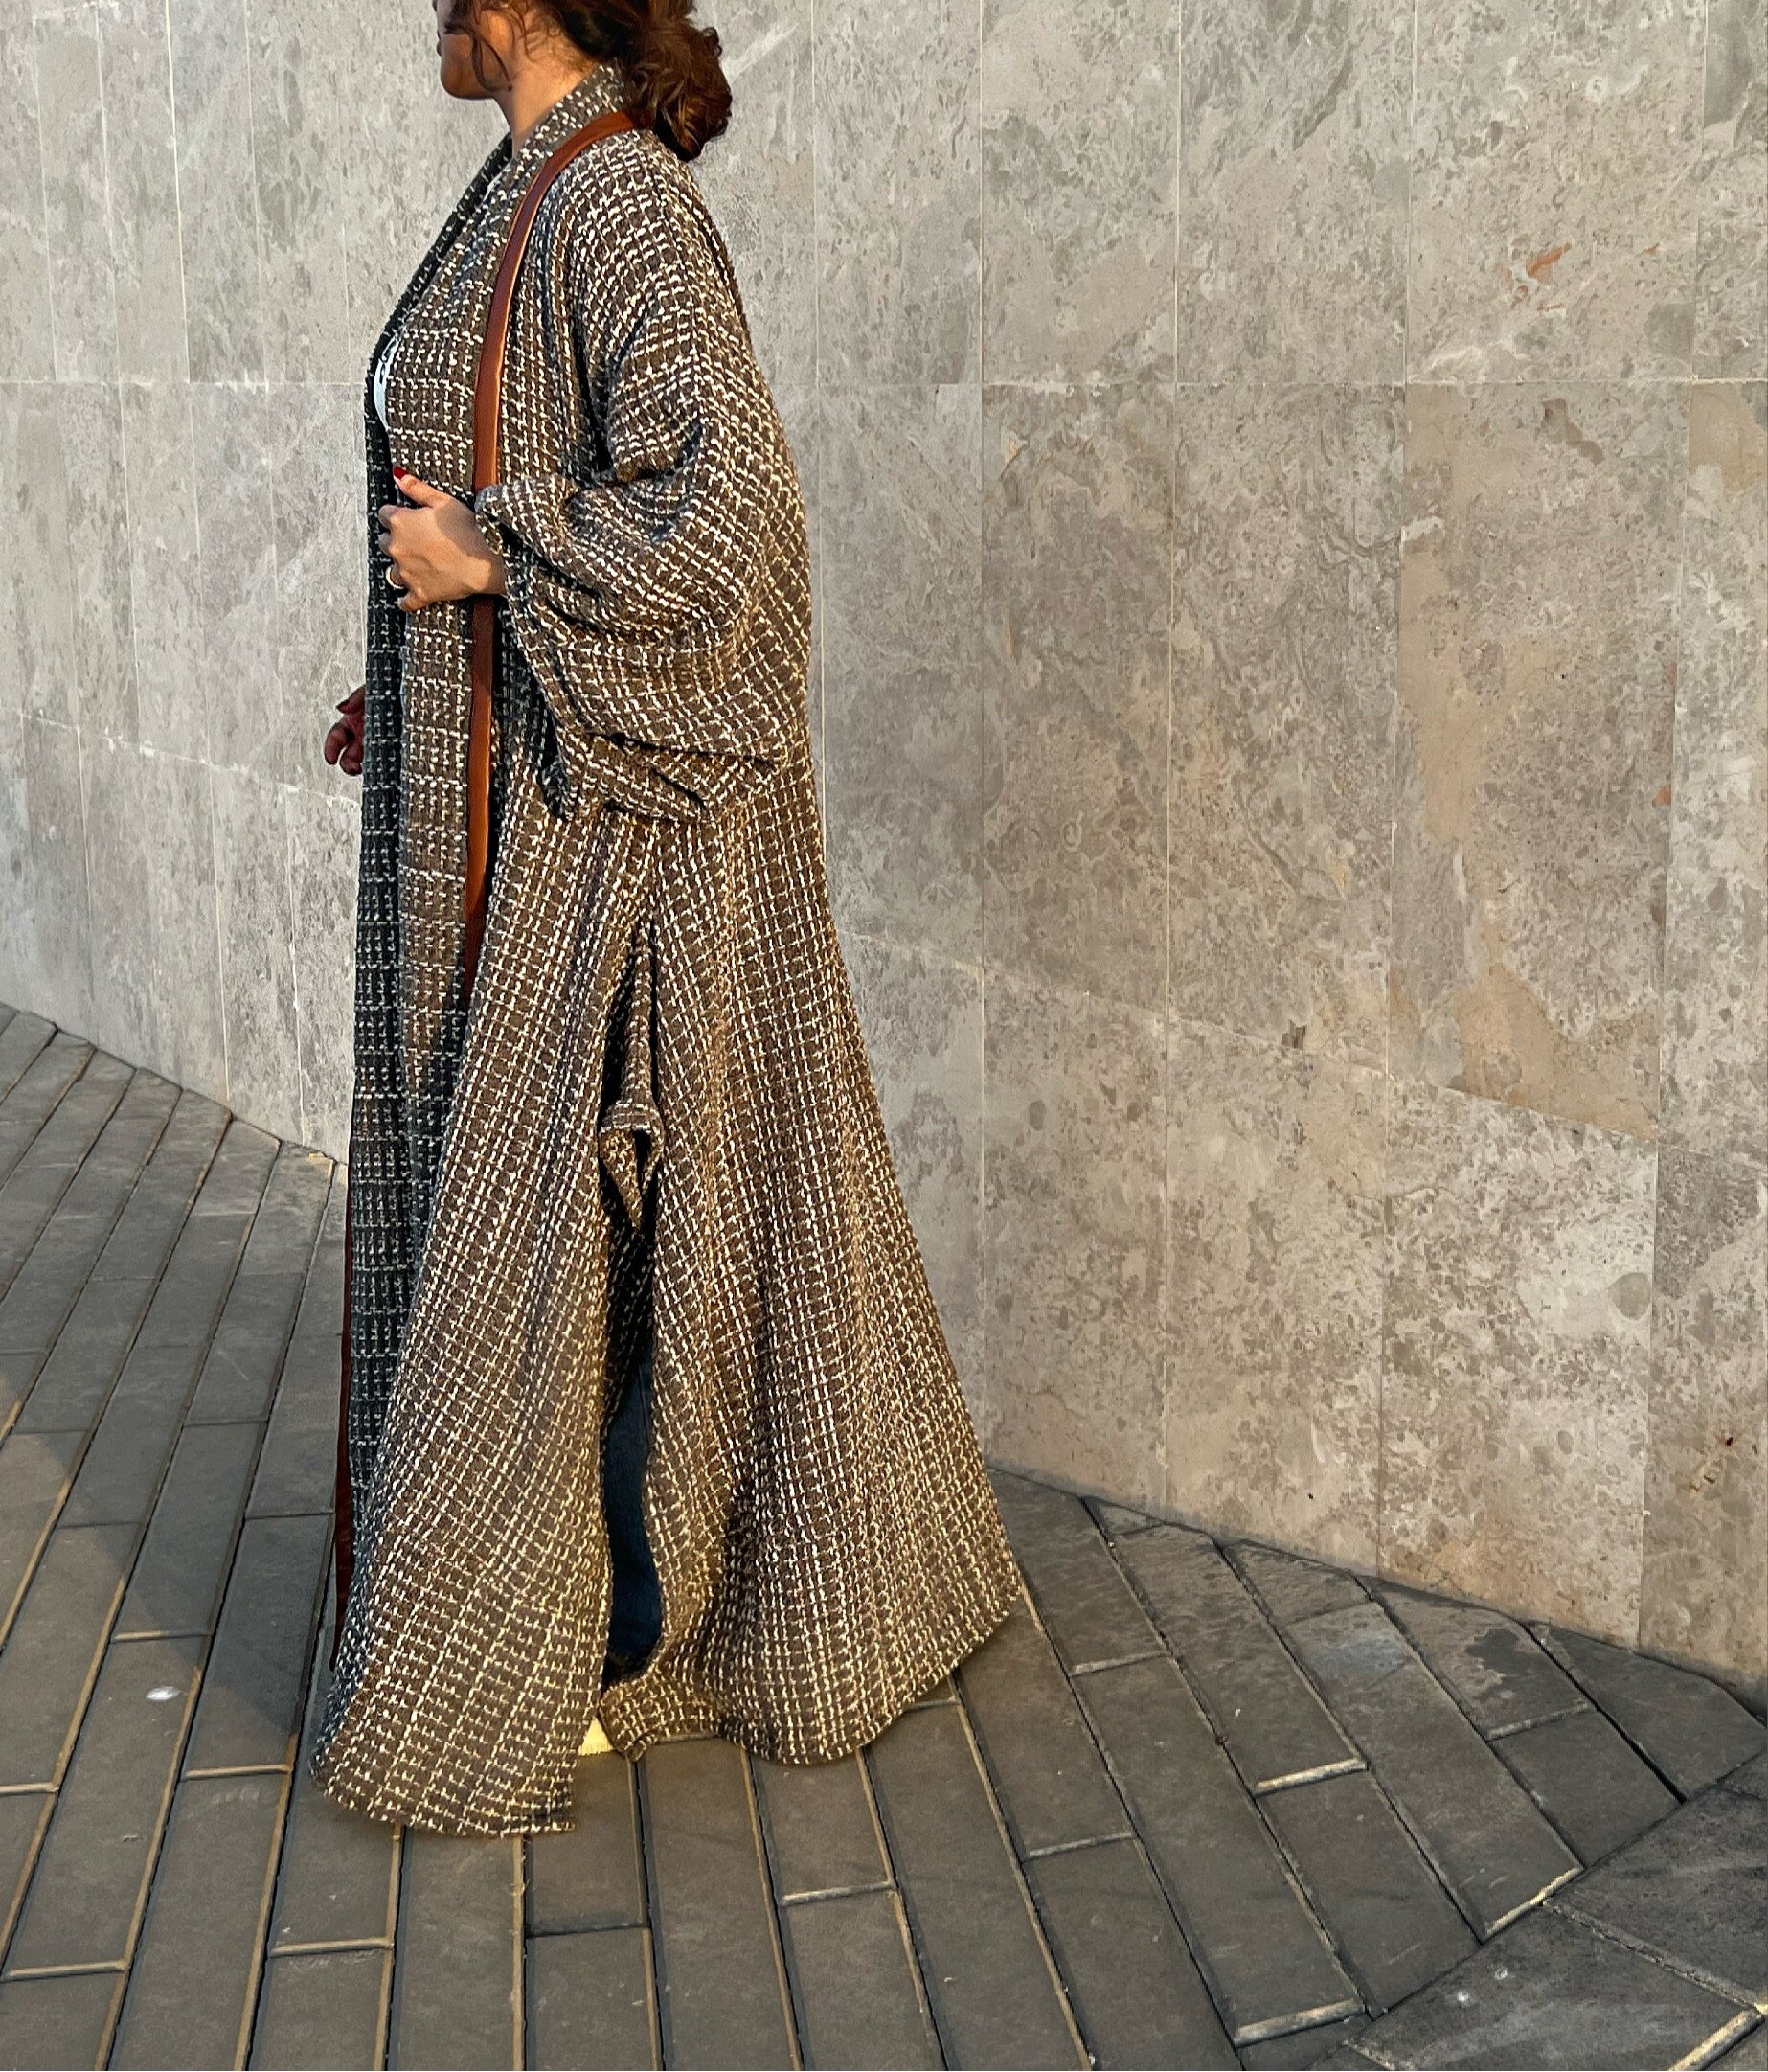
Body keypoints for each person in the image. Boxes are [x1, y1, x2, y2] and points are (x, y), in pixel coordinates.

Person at [312, 0, 1022, 1837]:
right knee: (557, 1221)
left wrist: (492, 552)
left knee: (579, 1224)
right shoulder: (524, 183)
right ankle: (583, 1608)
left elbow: (732, 536)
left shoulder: (619, 200)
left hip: (610, 830)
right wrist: (420, 680)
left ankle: (581, 1640)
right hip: (512, 784)